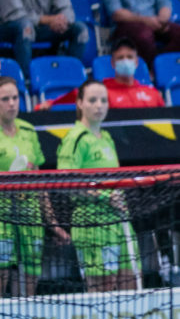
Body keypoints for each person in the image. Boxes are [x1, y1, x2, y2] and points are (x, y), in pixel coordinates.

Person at [55, 81, 141, 293]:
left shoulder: (107, 138)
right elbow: (66, 183)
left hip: (119, 222)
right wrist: (103, 196)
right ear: (79, 104)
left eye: (103, 100)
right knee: (103, 292)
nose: (99, 106)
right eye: (92, 100)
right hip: (92, 224)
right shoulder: (75, 139)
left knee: (132, 284)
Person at [0, 75, 65, 297]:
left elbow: (39, 183)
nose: (11, 103)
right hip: (2, 218)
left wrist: (52, 223)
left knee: (29, 281)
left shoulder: (28, 131)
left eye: (15, 98)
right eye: (4, 99)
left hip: (31, 216)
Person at [93, 38, 164, 108]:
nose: (125, 61)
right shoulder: (103, 95)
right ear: (113, 63)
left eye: (129, 57)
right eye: (120, 58)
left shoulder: (153, 94)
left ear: (136, 62)